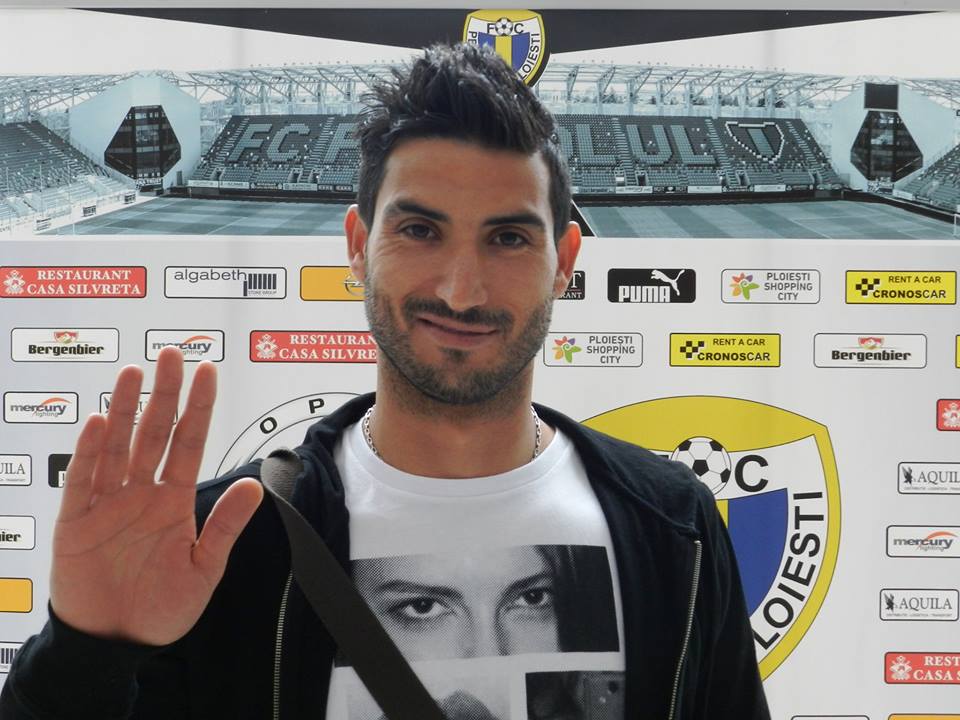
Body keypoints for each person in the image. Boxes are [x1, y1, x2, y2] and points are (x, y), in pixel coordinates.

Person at [0, 43, 770, 719]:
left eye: (508, 237)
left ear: (564, 261)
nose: (462, 290)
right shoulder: (224, 542)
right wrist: (84, 653)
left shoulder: (675, 523)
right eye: (420, 230)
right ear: (358, 245)